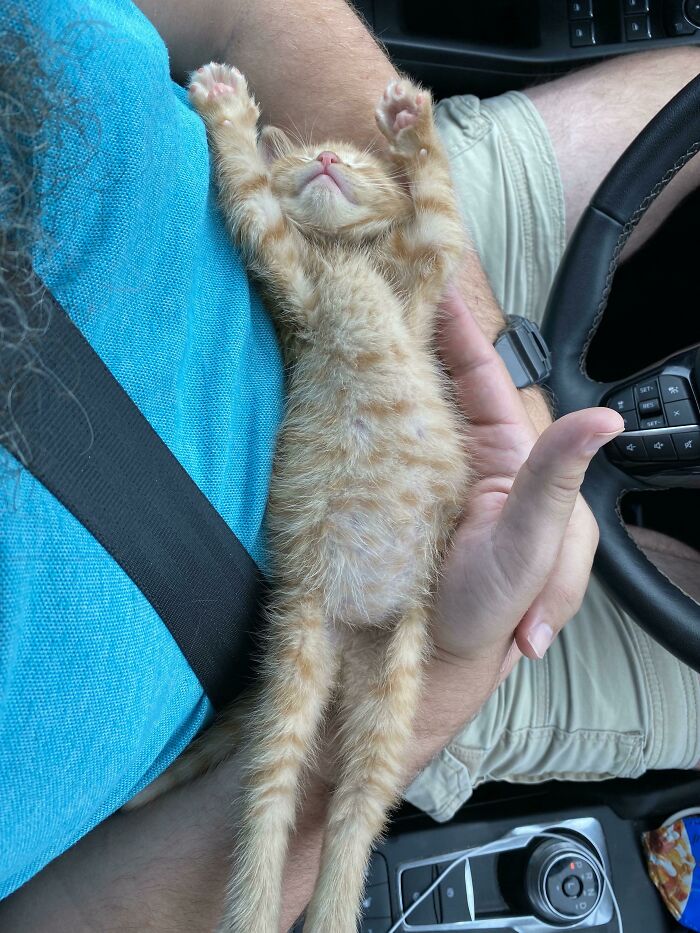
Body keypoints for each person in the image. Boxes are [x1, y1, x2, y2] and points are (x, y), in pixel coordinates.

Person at [0, 0, 698, 930]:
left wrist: (507, 364)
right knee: (306, 773)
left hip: (403, 261)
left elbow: (256, 17)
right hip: (406, 619)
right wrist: (451, 668)